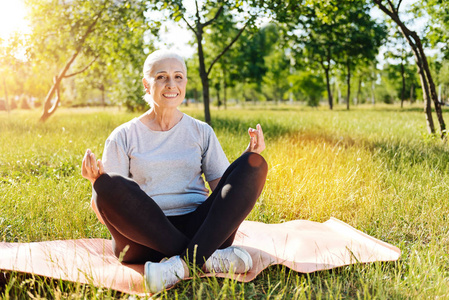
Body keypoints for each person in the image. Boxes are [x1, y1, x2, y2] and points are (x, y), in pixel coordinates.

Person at [81, 50, 268, 293]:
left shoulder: (201, 131)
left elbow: (224, 193)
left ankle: (180, 264)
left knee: (254, 164)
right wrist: (97, 184)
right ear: (147, 84)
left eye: (178, 76)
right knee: (107, 185)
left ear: (185, 84)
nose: (171, 84)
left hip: (204, 230)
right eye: (161, 77)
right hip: (143, 239)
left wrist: (246, 159)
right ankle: (205, 260)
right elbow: (106, 208)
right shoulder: (123, 136)